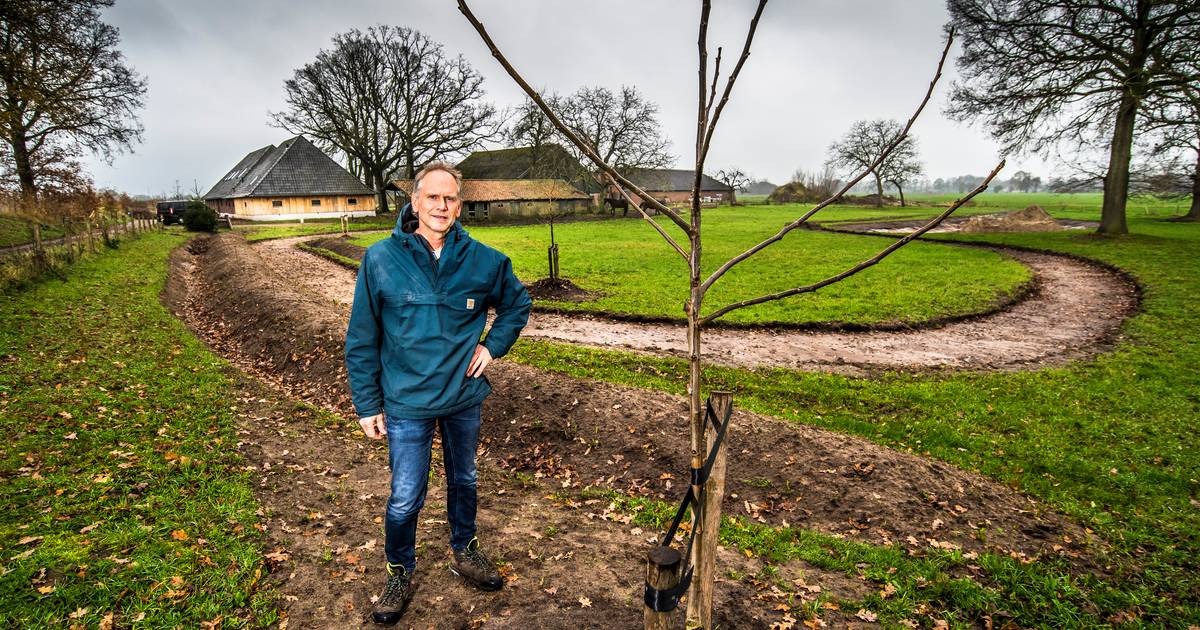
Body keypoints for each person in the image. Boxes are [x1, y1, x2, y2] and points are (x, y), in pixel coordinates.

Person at [344, 162, 531, 625]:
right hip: (406, 402)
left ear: (459, 206)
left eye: (450, 199)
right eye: (432, 197)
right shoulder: (381, 259)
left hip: (463, 397)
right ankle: (398, 572)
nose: (441, 206)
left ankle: (465, 551)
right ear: (415, 201)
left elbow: (517, 303)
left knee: (464, 479)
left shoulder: (484, 260)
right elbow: (361, 337)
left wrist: (492, 345)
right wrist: (367, 404)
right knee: (406, 495)